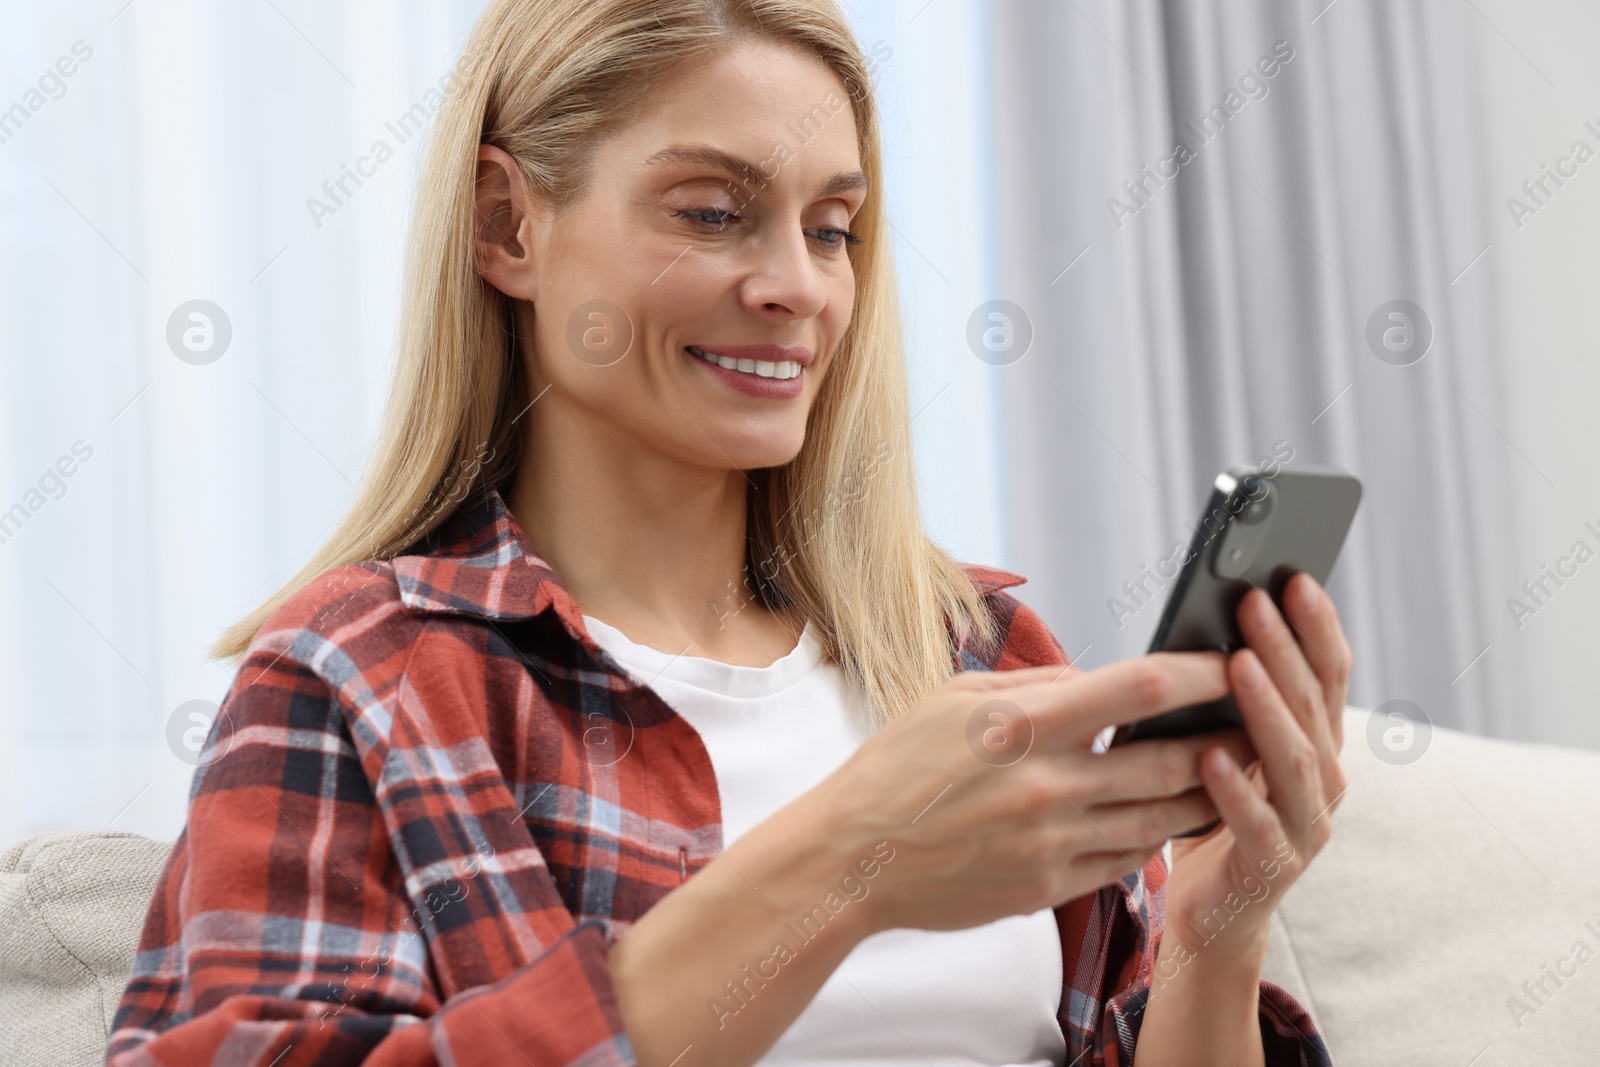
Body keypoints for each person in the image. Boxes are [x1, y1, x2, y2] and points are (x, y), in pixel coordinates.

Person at [108, 1, 1348, 1064]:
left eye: (831, 228)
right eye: (711, 213)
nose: (797, 288)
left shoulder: (979, 654)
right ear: (507, 226)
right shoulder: (362, 680)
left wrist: (1212, 934)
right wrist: (843, 860)